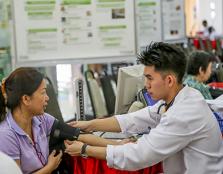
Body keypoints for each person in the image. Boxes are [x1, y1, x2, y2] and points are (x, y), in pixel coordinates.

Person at [64, 42, 223, 174]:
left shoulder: (184, 113)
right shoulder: (180, 97)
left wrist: (85, 150)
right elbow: (132, 120)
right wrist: (89, 124)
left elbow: (139, 155)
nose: (146, 85)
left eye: (150, 78)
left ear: (169, 80)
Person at [0, 67, 127, 174]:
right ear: (26, 99)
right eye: (43, 93)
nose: (47, 98)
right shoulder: (6, 135)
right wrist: (48, 169)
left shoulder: (41, 119)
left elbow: (79, 136)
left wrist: (117, 145)